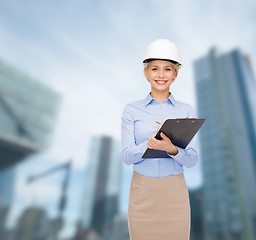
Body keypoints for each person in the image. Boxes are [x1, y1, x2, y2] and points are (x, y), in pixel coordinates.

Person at [121, 39, 198, 240]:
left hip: (174, 192)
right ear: (146, 73)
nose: (161, 75)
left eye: (167, 69)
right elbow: (127, 156)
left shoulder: (187, 111)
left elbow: (192, 160)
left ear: (175, 73)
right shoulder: (131, 110)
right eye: (155, 69)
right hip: (142, 191)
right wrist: (149, 145)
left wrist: (171, 149)